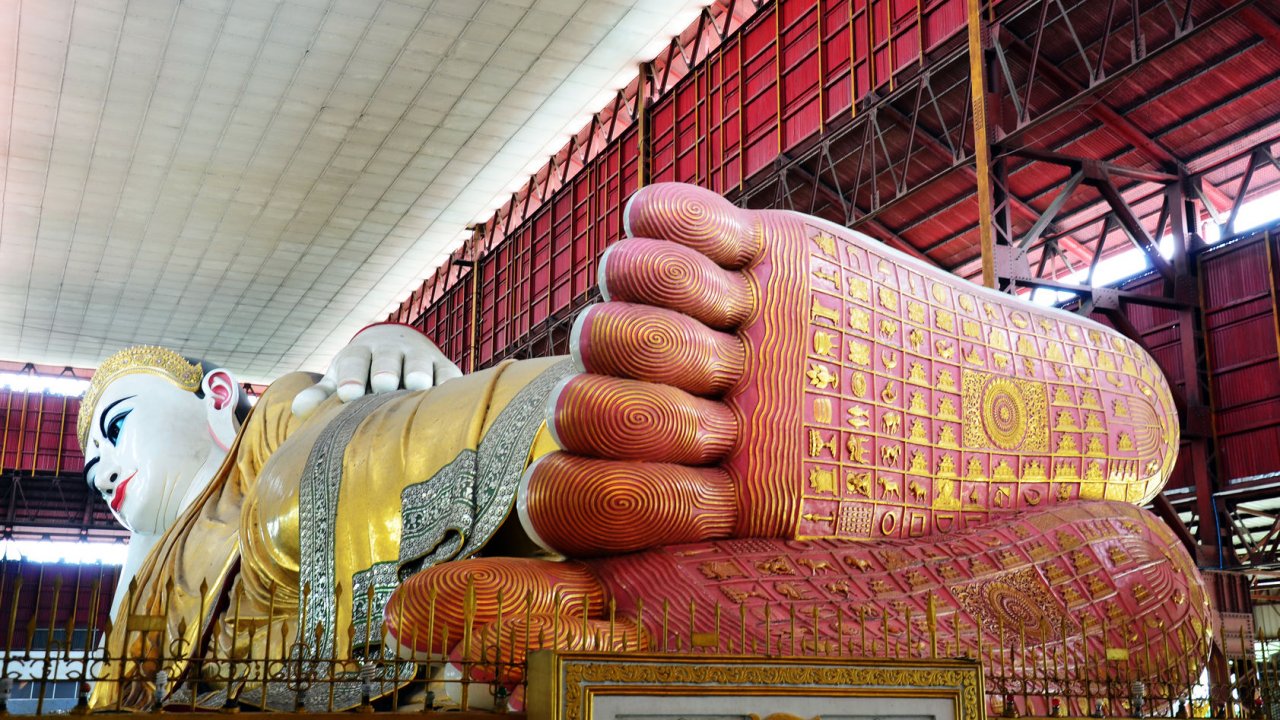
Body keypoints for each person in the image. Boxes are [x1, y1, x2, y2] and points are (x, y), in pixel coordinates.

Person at [82, 183, 1209, 713]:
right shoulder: (137, 605)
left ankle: (670, 438)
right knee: (497, 631)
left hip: (362, 542)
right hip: (358, 669)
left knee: (307, 499)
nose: (106, 475)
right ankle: (722, 589)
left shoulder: (265, 426)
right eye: (91, 473)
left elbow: (347, 401)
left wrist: (378, 348)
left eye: (118, 428)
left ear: (216, 391)